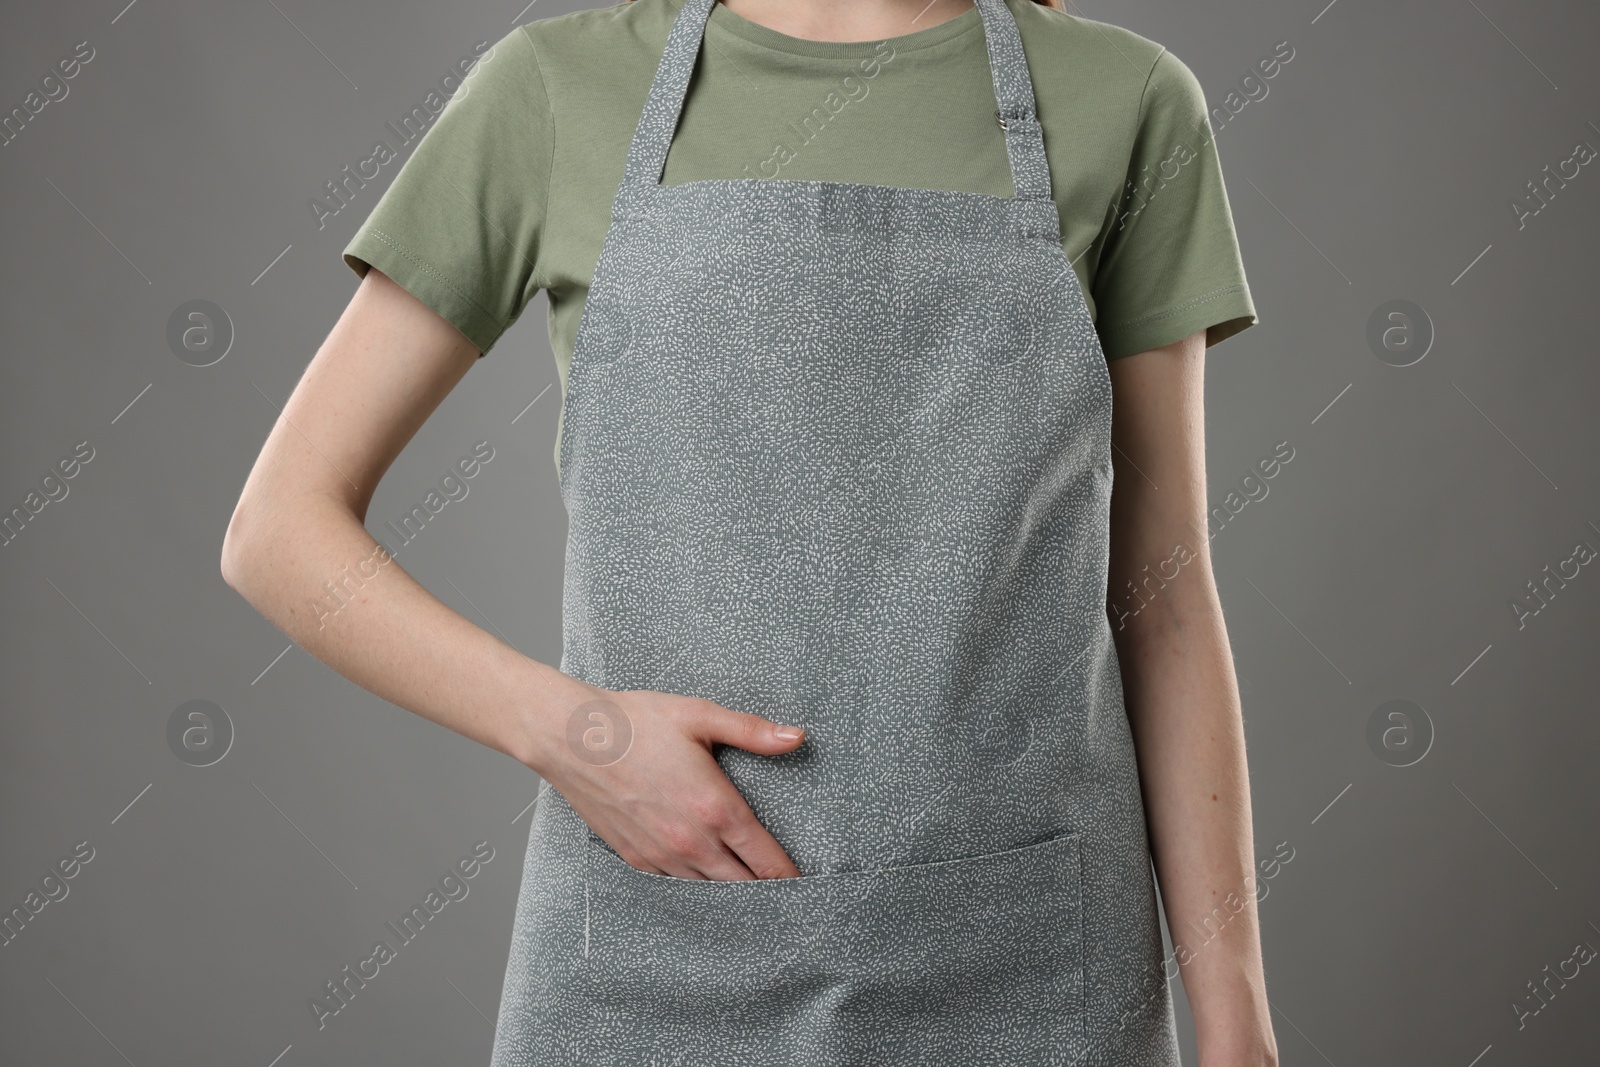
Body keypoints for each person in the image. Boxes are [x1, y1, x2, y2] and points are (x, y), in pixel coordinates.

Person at [221, 0, 1277, 1063]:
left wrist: (1237, 1030)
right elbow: (279, 529)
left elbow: (1163, 596)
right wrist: (572, 731)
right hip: (650, 951)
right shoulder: (552, 86)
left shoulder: (1127, 100)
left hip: (1036, 959)